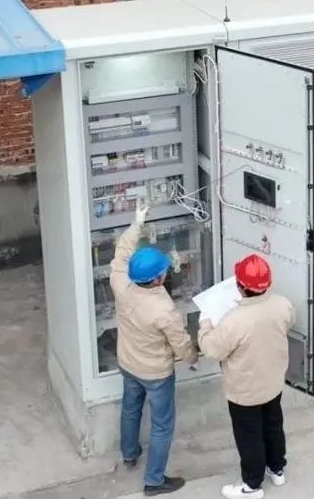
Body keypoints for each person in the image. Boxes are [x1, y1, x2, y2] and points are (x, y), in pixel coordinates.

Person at [110, 204, 198, 496]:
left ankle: (129, 454)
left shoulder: (121, 283)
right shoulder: (163, 309)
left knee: (130, 408)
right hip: (156, 374)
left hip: (128, 363)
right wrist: (193, 357)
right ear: (158, 279)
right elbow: (180, 343)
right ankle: (154, 480)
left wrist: (137, 223)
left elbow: (122, 251)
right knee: (162, 426)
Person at [198, 254, 296, 499]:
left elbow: (211, 349)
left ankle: (251, 485)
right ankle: (277, 468)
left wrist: (205, 325)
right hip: (273, 381)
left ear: (240, 287)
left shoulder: (234, 320)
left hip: (245, 390)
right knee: (273, 425)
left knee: (249, 435)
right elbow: (289, 322)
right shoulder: (282, 304)